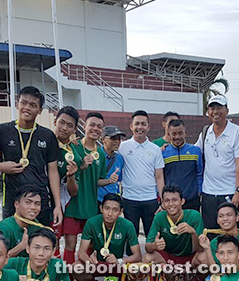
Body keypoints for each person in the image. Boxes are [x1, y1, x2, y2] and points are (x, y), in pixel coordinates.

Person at [0, 86, 62, 227]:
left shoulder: (47, 135)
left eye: (33, 105)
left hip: (40, 201)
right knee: (11, 243)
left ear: (40, 110)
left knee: (40, 244)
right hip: (12, 200)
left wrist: (57, 205)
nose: (27, 108)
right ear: (17, 104)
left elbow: (53, 171)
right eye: (24, 103)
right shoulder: (2, 131)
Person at [62, 112, 115, 268]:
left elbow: (96, 181)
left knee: (89, 248)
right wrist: (82, 165)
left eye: (99, 126)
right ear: (84, 126)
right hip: (73, 206)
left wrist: (109, 180)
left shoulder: (101, 154)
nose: (95, 129)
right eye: (92, 125)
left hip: (91, 208)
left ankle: (86, 280)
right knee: (70, 247)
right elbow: (67, 174)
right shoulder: (74, 147)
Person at [75, 193, 142, 281]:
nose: (110, 214)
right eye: (107, 208)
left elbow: (137, 255)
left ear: (120, 212)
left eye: (115, 210)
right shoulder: (91, 222)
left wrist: (119, 260)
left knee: (136, 268)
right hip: (97, 264)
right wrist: (89, 261)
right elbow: (81, 252)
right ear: (101, 208)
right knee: (76, 267)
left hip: (117, 264)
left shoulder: (127, 225)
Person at [196, 94, 239, 229]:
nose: (215, 111)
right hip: (209, 193)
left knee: (233, 232)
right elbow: (194, 152)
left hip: (230, 192)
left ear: (227, 111)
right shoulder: (205, 132)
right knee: (211, 231)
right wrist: (165, 146)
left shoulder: (236, 132)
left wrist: (238, 191)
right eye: (212, 108)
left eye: (219, 107)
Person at [119, 110, 165, 236]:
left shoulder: (155, 149)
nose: (140, 127)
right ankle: (132, 256)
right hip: (129, 199)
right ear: (131, 126)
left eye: (143, 124)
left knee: (152, 236)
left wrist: (163, 200)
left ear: (148, 127)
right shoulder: (123, 147)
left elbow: (159, 177)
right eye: (137, 124)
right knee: (130, 236)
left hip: (150, 199)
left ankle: (151, 257)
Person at [144, 184, 204, 269]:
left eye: (175, 200)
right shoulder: (159, 217)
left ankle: (196, 280)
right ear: (163, 203)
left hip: (190, 256)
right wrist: (154, 245)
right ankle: (159, 280)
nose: (171, 204)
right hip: (168, 257)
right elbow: (147, 247)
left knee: (204, 257)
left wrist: (193, 233)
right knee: (147, 258)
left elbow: (200, 249)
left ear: (182, 201)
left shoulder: (194, 215)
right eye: (167, 201)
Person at [0, 185, 44, 258]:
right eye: (28, 202)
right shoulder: (4, 228)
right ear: (16, 204)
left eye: (37, 204)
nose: (33, 207)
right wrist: (21, 246)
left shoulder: (37, 225)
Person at [162, 118, 203, 211]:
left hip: (192, 199)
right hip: (171, 201)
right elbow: (161, 176)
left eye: (180, 133)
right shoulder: (163, 153)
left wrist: (199, 192)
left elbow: (199, 173)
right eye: (174, 134)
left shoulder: (195, 151)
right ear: (169, 134)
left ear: (185, 133)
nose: (177, 137)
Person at [97, 125, 126, 202]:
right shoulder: (96, 156)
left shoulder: (120, 158)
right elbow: (91, 181)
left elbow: (118, 180)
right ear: (103, 139)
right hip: (97, 200)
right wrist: (109, 180)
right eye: (113, 138)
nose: (117, 141)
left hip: (113, 201)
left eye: (119, 139)